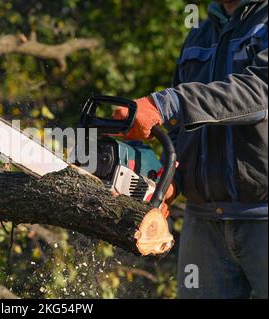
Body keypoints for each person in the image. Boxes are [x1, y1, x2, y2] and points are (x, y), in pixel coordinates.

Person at [114, 0, 267, 298]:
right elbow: (179, 128)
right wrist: (169, 180)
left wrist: (166, 103)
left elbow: (259, 92)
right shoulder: (200, 31)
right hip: (204, 222)